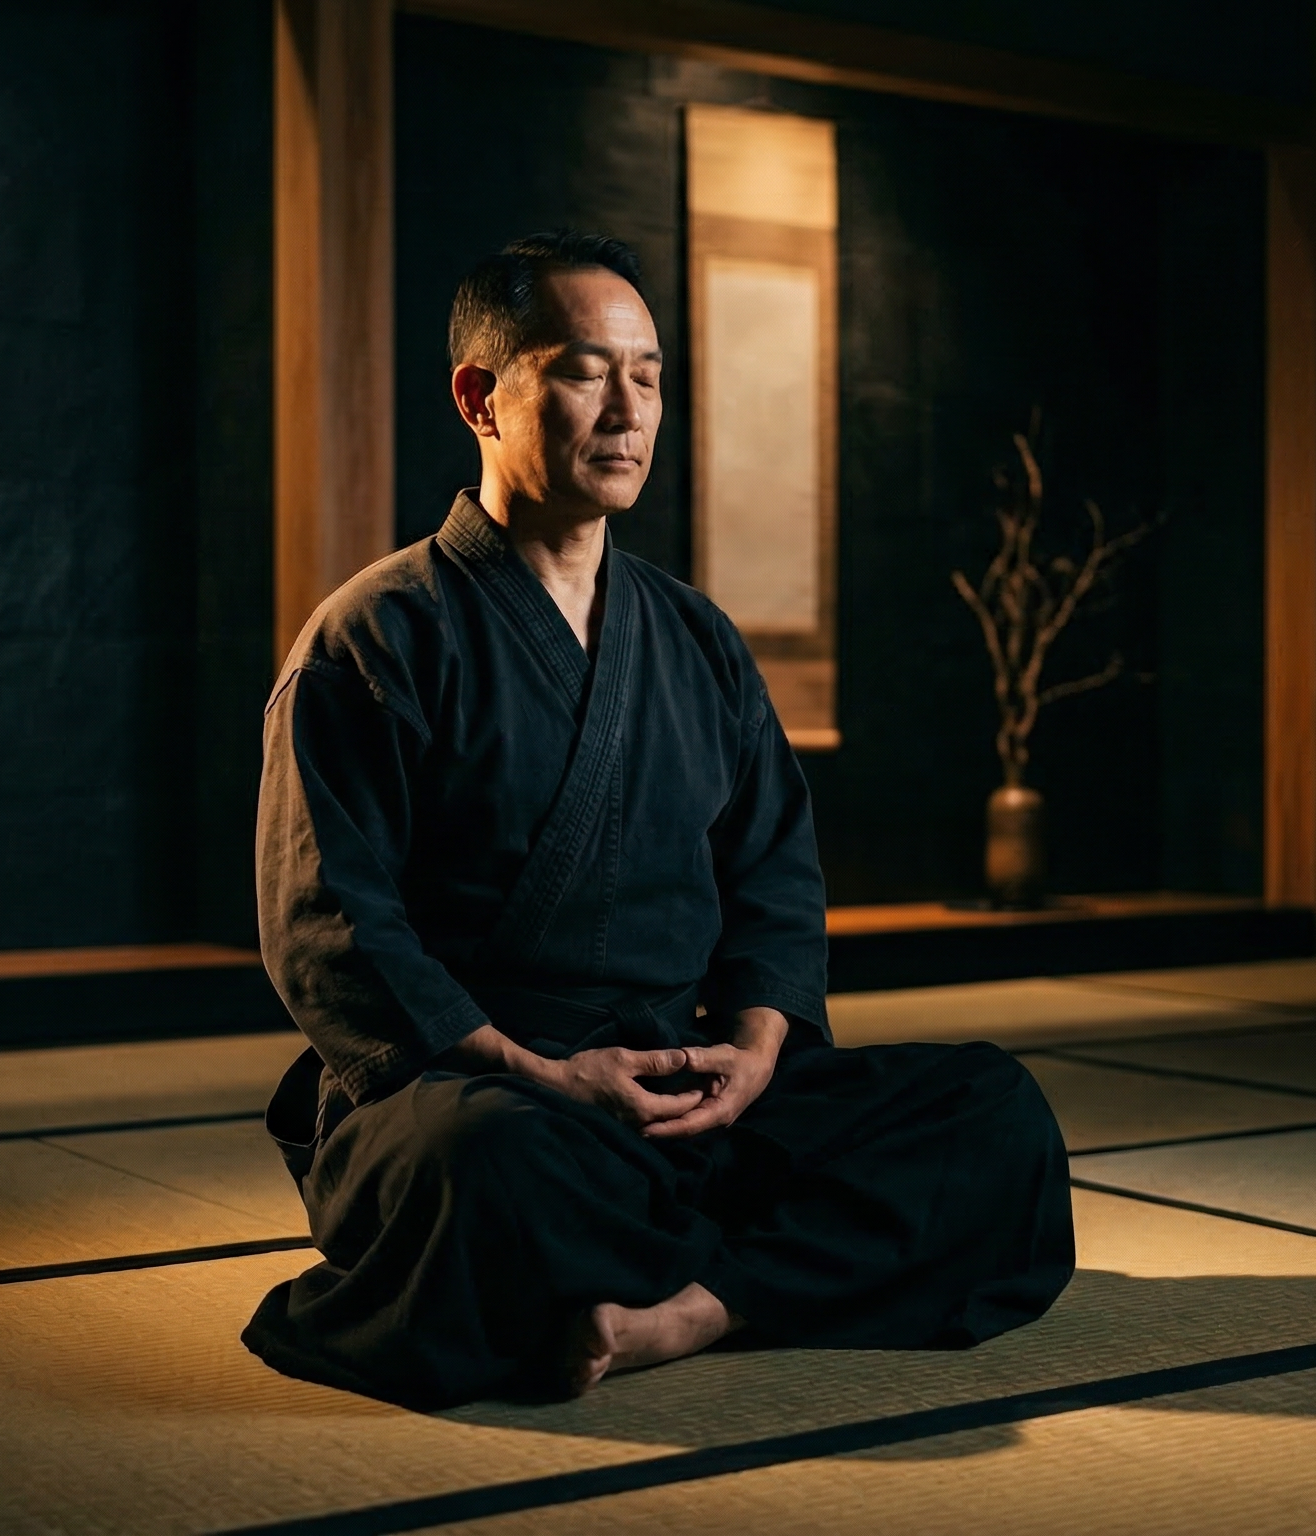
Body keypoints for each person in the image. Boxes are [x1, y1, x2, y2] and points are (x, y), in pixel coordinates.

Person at [242, 231, 1074, 1410]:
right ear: (480, 396)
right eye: (587, 371)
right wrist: (547, 1073)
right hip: (481, 1086)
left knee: (991, 1111)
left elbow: (774, 878)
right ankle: (766, 1272)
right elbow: (331, 923)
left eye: (651, 374)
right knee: (485, 1170)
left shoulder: (692, 637)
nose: (629, 411)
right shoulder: (374, 636)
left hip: (682, 1085)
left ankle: (689, 1312)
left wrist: (750, 1058)